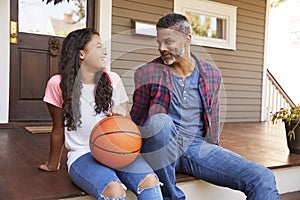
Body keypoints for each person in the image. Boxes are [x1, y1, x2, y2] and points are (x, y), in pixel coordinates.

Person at [130, 13, 280, 200]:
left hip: (196, 147)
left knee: (262, 177)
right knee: (161, 122)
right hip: (161, 147)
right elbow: (137, 120)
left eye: (168, 41)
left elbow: (213, 118)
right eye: (158, 42)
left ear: (188, 39)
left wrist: (215, 152)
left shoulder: (211, 74)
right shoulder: (147, 72)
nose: (161, 48)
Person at [39, 28, 163, 200]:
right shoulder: (58, 84)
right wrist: (53, 164)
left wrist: (122, 116)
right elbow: (58, 129)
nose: (104, 51)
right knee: (114, 190)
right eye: (98, 46)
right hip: (83, 154)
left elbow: (129, 126)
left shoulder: (113, 80)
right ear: (82, 54)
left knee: (149, 181)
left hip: (119, 150)